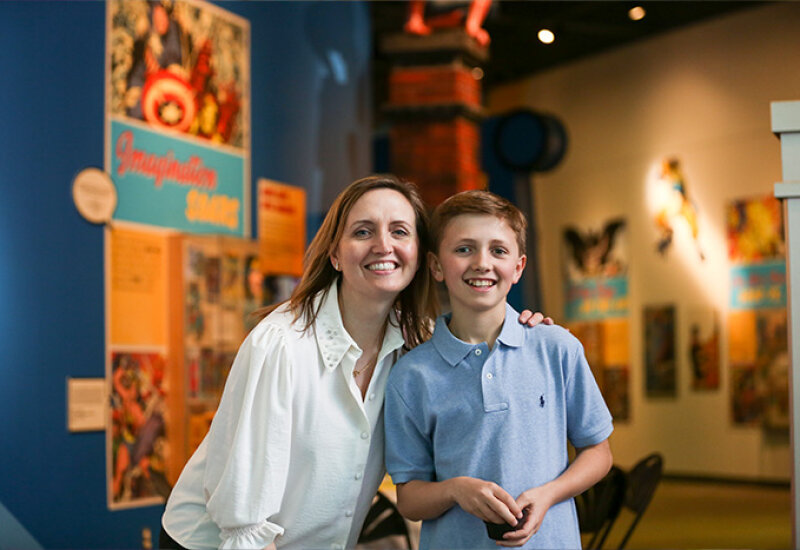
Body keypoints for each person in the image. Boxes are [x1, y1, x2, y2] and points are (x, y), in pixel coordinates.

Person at [160, 176, 550, 550]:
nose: (383, 245)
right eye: (363, 231)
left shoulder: (419, 344)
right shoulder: (281, 345)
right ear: (335, 253)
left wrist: (526, 333)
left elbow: (479, 354)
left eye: (400, 231)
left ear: (420, 255)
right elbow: (245, 521)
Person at [384, 190, 614, 549]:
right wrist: (455, 490)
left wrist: (550, 494)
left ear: (518, 267)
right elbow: (410, 499)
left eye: (498, 250)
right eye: (464, 249)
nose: (481, 263)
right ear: (436, 266)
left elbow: (599, 452)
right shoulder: (411, 376)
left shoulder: (557, 348)